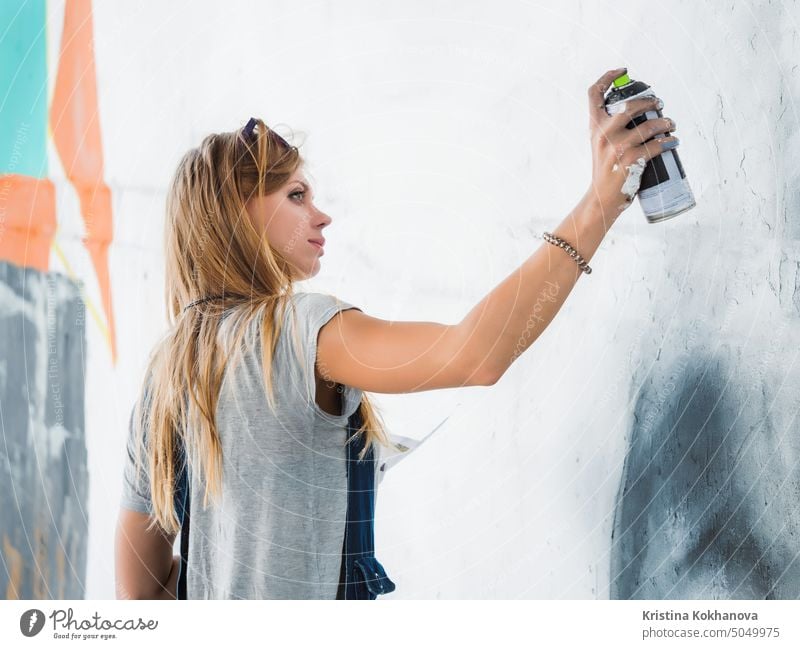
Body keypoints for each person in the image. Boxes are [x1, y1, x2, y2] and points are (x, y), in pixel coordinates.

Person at [114, 66, 679, 599]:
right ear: (238, 217)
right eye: (294, 195)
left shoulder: (166, 375)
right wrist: (600, 203)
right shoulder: (294, 333)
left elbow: (139, 591)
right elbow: (475, 355)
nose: (321, 214)